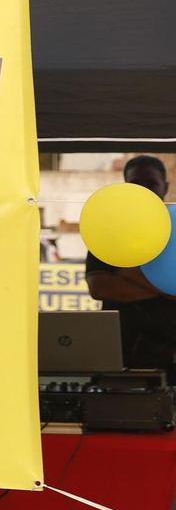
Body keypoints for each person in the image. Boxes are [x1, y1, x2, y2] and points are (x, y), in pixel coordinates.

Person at [86, 156, 176, 371]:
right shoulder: (108, 231)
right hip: (120, 352)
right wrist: (166, 287)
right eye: (136, 184)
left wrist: (128, 272)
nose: (144, 190)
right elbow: (100, 287)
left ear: (166, 186)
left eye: (151, 183)